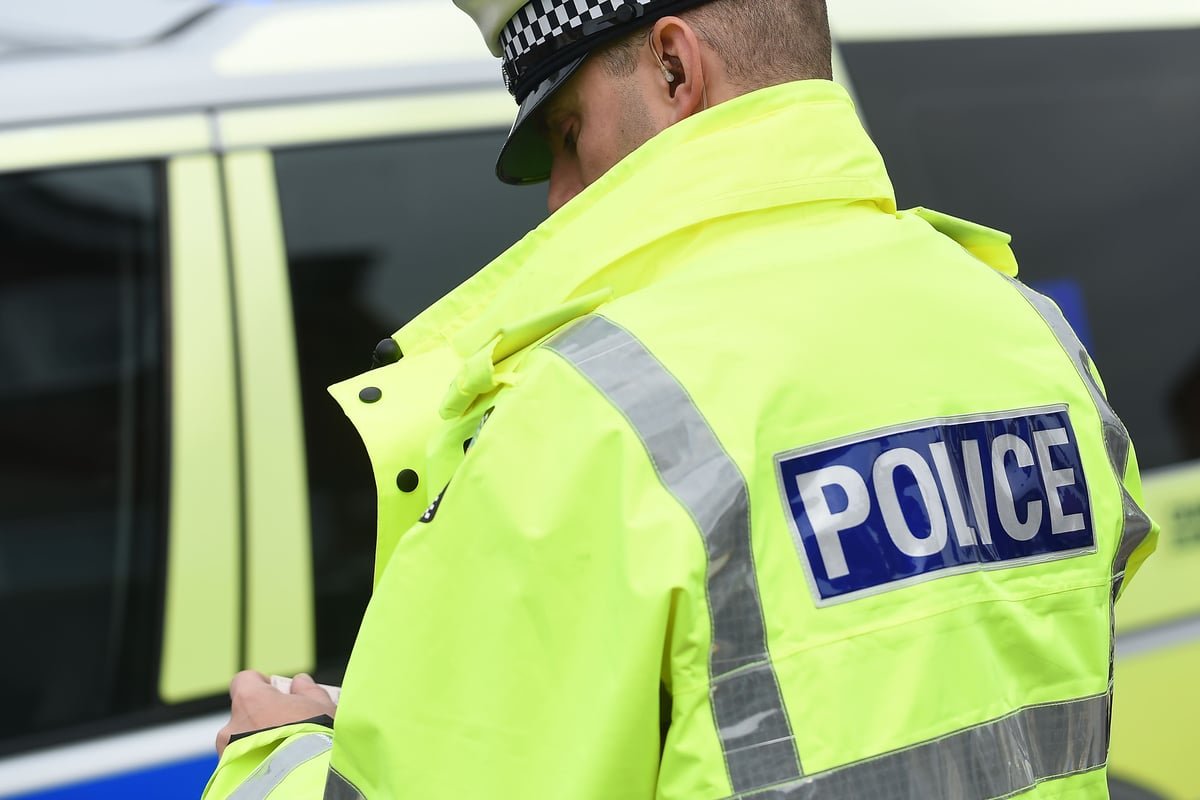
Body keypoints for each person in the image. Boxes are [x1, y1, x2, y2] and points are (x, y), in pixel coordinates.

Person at [203, 0, 1159, 797]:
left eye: (568, 134)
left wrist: (276, 755)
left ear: (673, 66)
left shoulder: (581, 413)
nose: (557, 200)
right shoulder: (1033, 338)